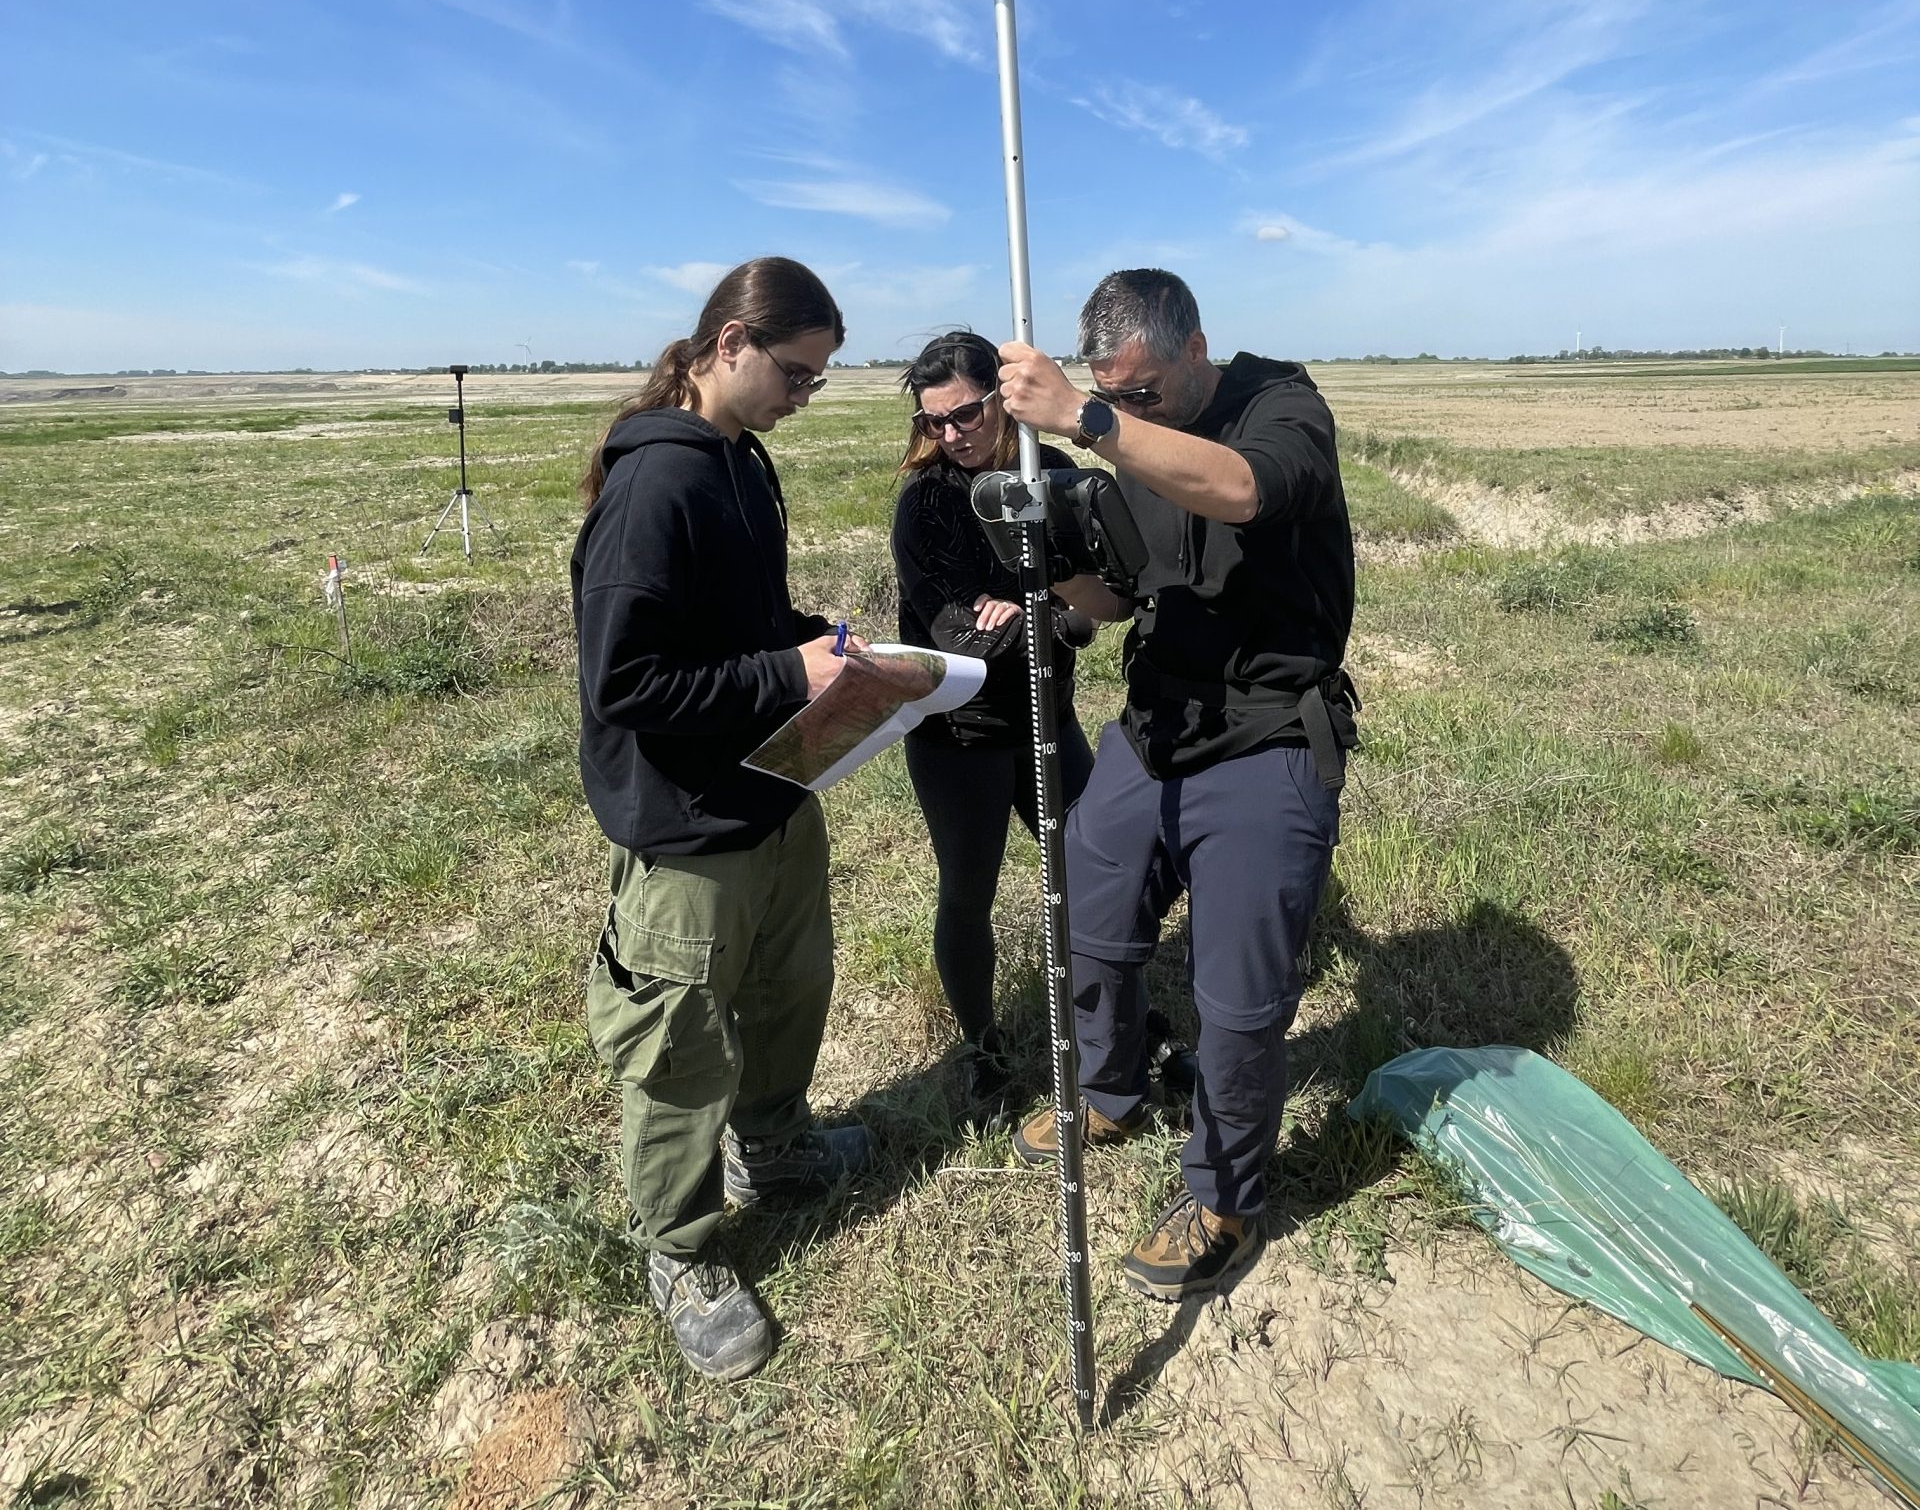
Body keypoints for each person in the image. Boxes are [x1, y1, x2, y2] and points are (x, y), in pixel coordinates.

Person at [995, 269, 1357, 1302]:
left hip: (1269, 738)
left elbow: (1241, 490)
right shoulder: (1128, 444)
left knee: (1239, 1000)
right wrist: (1040, 585)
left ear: (1197, 347)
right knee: (1088, 912)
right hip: (1155, 729)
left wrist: (1084, 415)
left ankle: (1226, 1199)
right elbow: (1118, 586)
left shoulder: (1280, 403)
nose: (1134, 412)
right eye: (1121, 394)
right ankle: (1109, 1090)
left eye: (1148, 391)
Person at [571, 256, 872, 1381]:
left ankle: (774, 1143)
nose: (805, 395)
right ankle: (682, 1249)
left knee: (791, 988)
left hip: (773, 791)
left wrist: (820, 646)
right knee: (681, 1047)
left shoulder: (743, 463)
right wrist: (783, 673)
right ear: (731, 345)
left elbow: (736, 627)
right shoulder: (658, 486)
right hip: (691, 821)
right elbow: (628, 684)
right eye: (798, 372)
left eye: (821, 381)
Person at [888, 332, 1096, 1106]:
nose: (950, 434)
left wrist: (1034, 612)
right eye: (932, 422)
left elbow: (1107, 592)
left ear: (1002, 398)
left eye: (965, 413)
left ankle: (1118, 1016)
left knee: (1098, 872)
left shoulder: (1057, 477)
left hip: (1049, 717)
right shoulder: (929, 501)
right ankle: (980, 1047)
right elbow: (960, 637)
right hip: (958, 734)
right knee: (967, 890)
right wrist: (1058, 611)